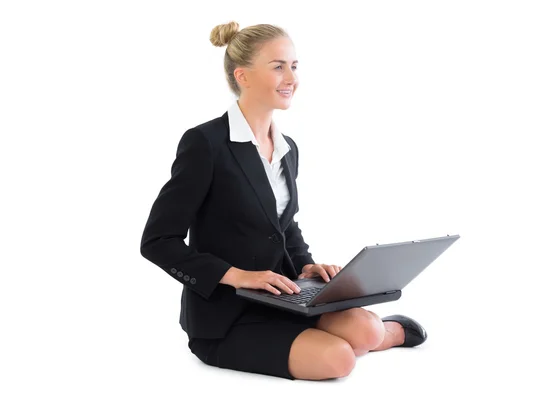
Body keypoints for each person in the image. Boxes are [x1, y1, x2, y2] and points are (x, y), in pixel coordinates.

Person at [140, 21, 427, 381]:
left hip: (285, 296)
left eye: (294, 65)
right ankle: (361, 338)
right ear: (242, 76)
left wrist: (307, 267)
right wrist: (238, 276)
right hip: (228, 314)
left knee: (367, 329)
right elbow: (157, 242)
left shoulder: (287, 147)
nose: (291, 77)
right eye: (278, 66)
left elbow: (283, 225)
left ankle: (375, 334)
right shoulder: (205, 144)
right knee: (339, 361)